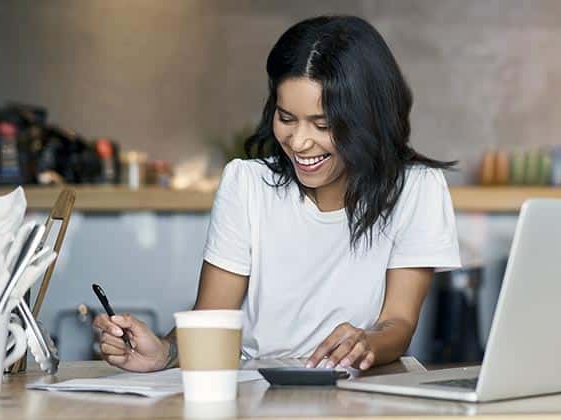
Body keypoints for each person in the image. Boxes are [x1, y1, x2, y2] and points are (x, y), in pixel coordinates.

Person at [93, 15, 461, 372]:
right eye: (286, 118)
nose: (299, 142)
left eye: (323, 124)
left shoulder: (415, 189)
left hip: (360, 393)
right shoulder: (247, 184)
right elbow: (212, 319)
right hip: (257, 391)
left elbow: (397, 322)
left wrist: (366, 343)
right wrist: (164, 353)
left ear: (367, 120)